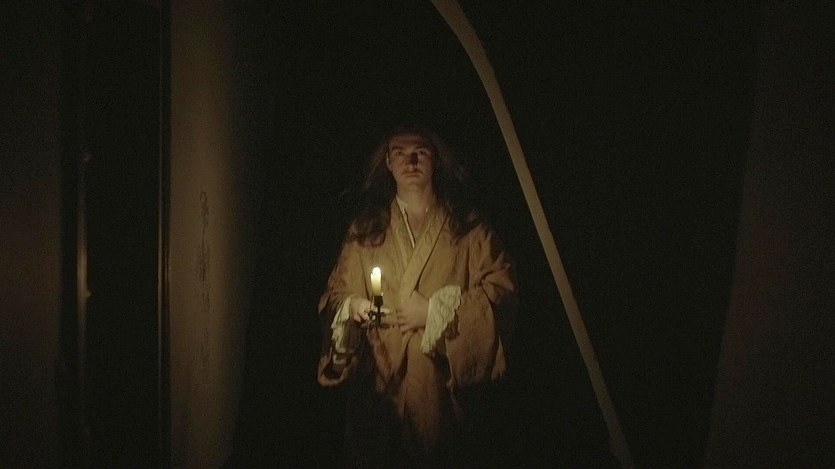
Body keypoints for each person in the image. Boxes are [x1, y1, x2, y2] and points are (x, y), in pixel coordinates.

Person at [317, 124, 516, 467]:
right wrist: (353, 307)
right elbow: (337, 292)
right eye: (400, 153)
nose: (410, 161)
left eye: (420, 152)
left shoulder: (467, 227)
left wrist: (436, 313)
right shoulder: (367, 228)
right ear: (388, 163)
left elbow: (502, 290)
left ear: (435, 159)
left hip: (437, 393)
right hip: (379, 389)